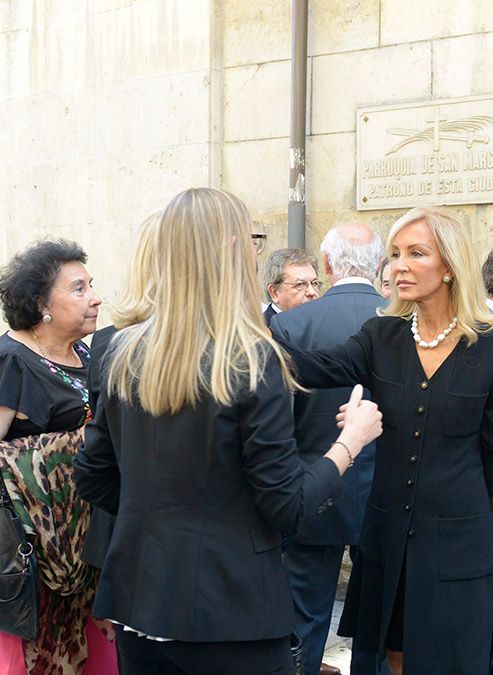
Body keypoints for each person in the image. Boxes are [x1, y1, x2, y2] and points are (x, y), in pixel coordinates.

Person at [74, 188, 383, 674]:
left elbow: (95, 477)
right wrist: (350, 442)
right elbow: (287, 504)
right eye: (254, 240)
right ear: (234, 251)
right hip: (232, 611)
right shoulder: (252, 359)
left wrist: (164, 516)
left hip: (140, 600)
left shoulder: (121, 352)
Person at [278, 207, 493, 674]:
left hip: (460, 547)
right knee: (392, 660)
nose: (399, 266)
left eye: (416, 253)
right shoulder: (381, 335)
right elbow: (310, 368)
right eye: (394, 255)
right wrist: (238, 330)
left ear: (450, 265)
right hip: (388, 540)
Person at [269, 223, 387, 675]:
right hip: (384, 490)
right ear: (379, 265)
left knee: (306, 619)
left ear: (327, 265)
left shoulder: (289, 324)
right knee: (376, 619)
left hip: (311, 484)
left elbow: (279, 416)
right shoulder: (398, 320)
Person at [0, 240, 115, 675]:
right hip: (33, 558)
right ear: (40, 304)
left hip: (87, 551)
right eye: (80, 289)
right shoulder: (9, 360)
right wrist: (71, 445)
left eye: (92, 286)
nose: (95, 298)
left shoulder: (90, 353)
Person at [263, 248, 322, 323]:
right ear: (274, 292)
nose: (312, 292)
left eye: (314, 283)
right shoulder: (261, 330)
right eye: (300, 284)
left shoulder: (319, 325)